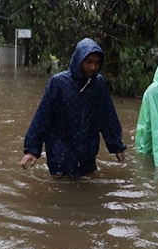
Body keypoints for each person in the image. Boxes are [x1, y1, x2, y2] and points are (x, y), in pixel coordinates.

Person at [19, 37, 126, 178]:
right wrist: (31, 151)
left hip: (87, 152)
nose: (93, 67)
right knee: (59, 189)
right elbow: (43, 117)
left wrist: (116, 146)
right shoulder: (58, 83)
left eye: (96, 63)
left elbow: (107, 116)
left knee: (87, 188)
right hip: (59, 152)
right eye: (89, 62)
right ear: (79, 60)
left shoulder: (98, 84)